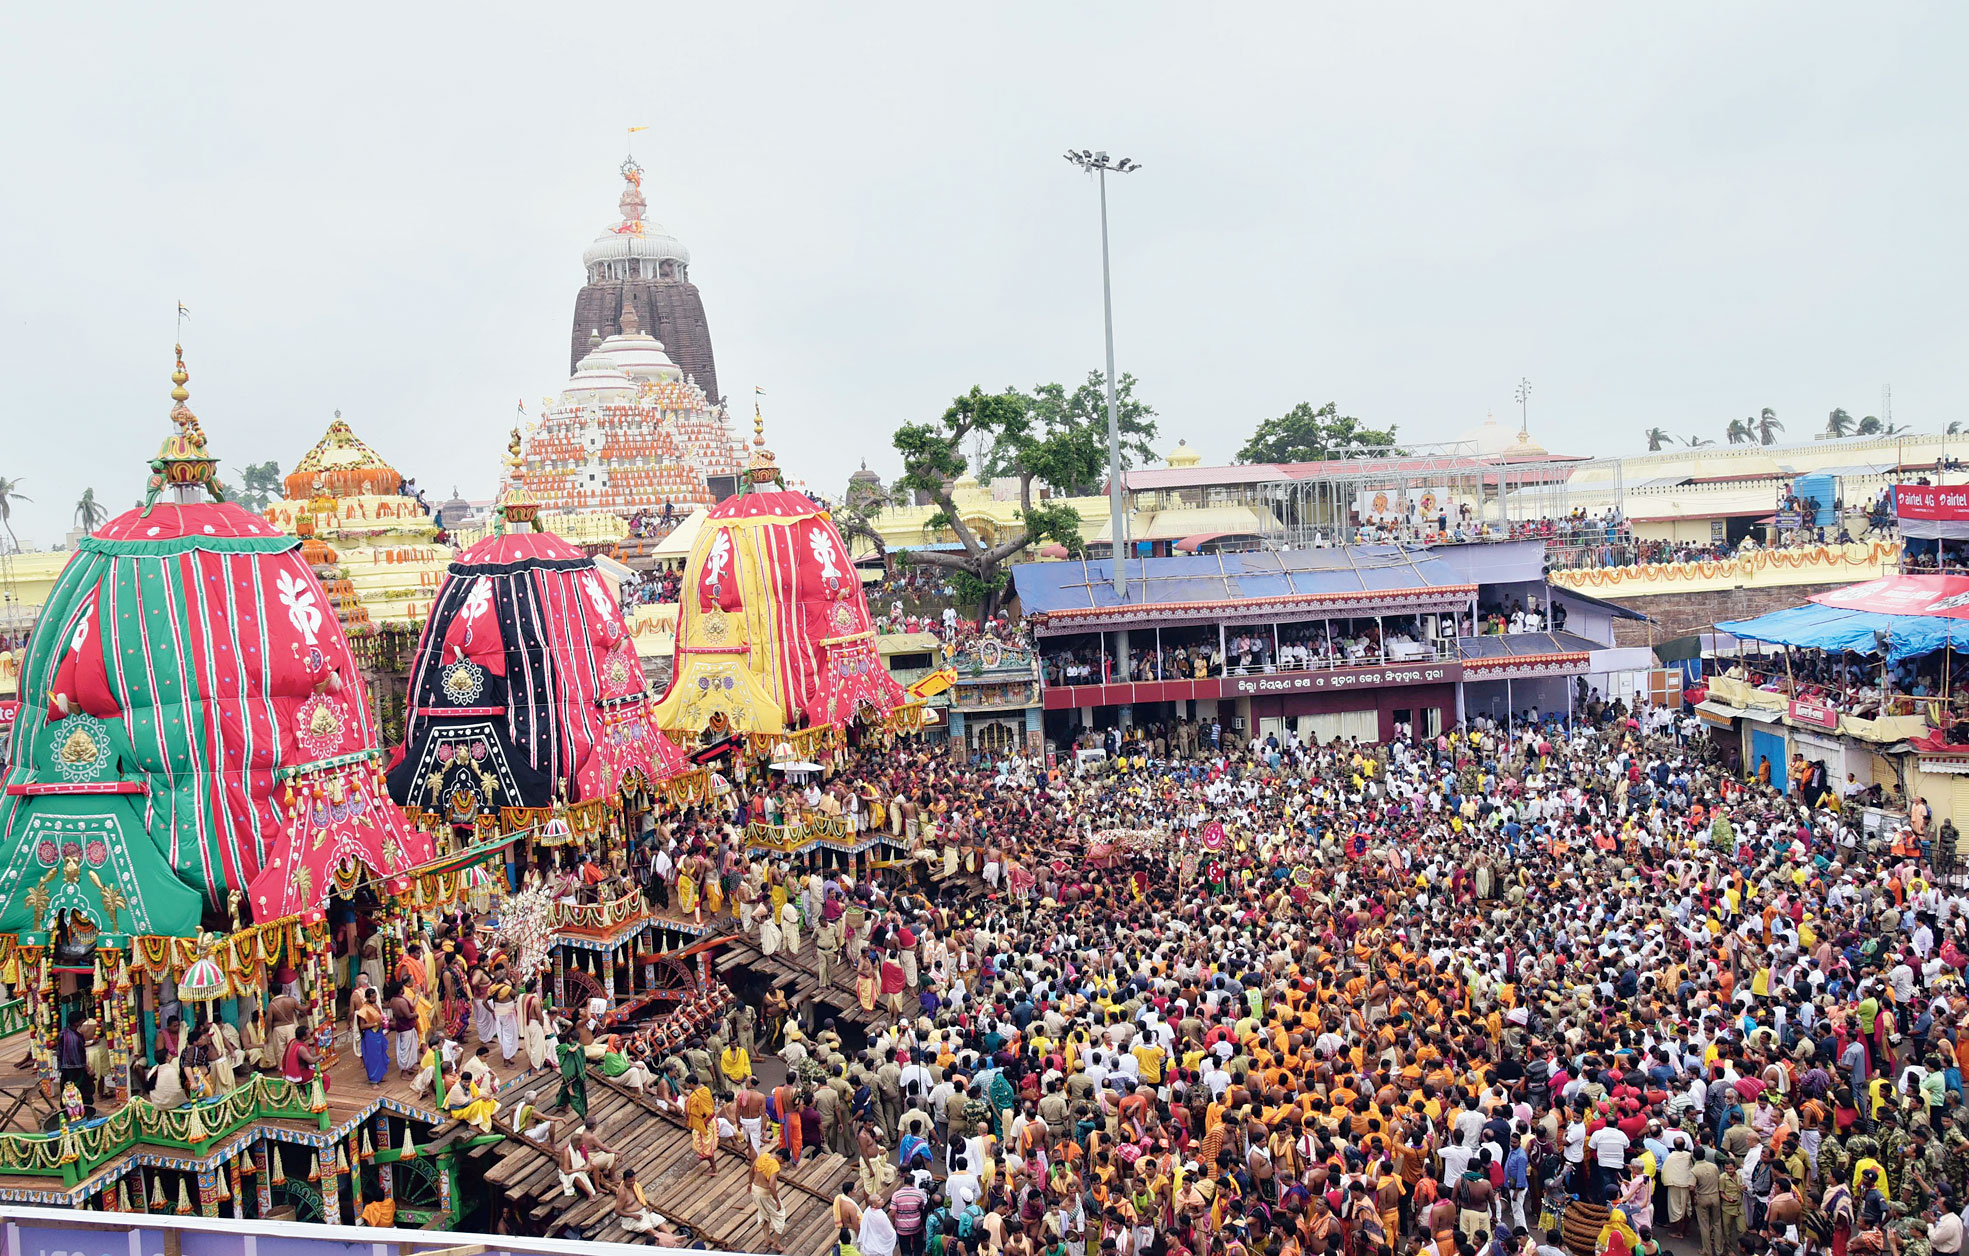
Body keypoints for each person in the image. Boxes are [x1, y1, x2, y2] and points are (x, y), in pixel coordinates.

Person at [751, 1148, 789, 1253]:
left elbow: (752, 1168)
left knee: (764, 1213)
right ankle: (775, 1243)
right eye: (784, 1161)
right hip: (764, 1193)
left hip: (755, 1189)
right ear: (780, 1157)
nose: (783, 1163)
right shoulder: (775, 1165)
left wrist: (750, 1184)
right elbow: (772, 1185)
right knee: (780, 1215)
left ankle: (767, 1239)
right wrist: (777, 1201)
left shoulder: (764, 1155)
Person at [355, 987, 389, 1085]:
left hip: (378, 1033)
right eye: (373, 997)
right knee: (372, 1057)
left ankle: (380, 1075)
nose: (375, 999)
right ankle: (374, 1080)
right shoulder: (364, 1009)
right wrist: (375, 1024)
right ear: (367, 997)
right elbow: (362, 1026)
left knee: (380, 1055)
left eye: (376, 997)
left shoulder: (375, 1006)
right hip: (370, 1035)